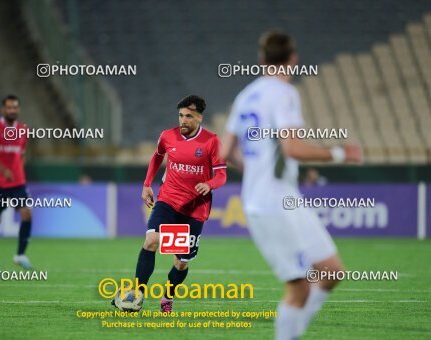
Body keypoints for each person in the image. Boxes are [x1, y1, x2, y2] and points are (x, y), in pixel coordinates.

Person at [220, 32, 363, 339]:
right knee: (298, 286)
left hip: (280, 197)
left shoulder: (245, 95)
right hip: (271, 203)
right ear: (293, 59)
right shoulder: (284, 93)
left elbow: (224, 152)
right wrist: (340, 153)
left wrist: (255, 168)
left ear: (261, 61)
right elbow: (293, 149)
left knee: (331, 271)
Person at [113, 95, 227, 312]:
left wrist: (210, 185)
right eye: (181, 115)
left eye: (189, 116)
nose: (183, 120)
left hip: (195, 209)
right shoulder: (168, 136)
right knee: (151, 240)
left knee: (181, 262)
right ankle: (136, 295)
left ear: (200, 118)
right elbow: (157, 157)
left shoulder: (212, 142)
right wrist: (147, 184)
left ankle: (168, 296)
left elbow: (221, 175)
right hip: (168, 200)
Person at [0, 94, 33, 270]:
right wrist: (3, 170)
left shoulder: (23, 130)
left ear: (18, 109)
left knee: (27, 214)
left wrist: (19, 168)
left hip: (18, 183)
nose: (12, 110)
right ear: (3, 109)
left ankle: (20, 255)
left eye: (15, 107)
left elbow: (22, 153)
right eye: (9, 107)